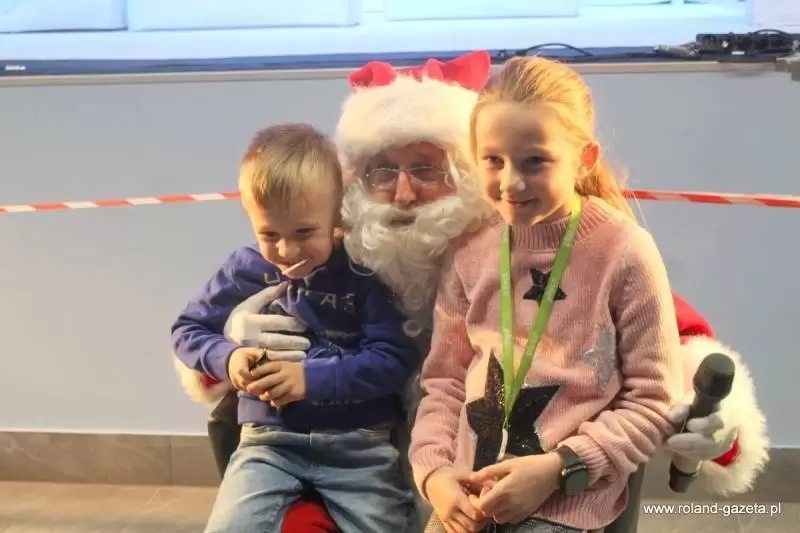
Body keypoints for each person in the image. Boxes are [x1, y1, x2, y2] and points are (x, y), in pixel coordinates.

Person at [173, 51, 768, 532]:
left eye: (426, 168)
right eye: (383, 170)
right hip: (390, 475)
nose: (403, 194)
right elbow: (211, 321)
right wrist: (227, 351)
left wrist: (715, 415)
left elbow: (662, 352)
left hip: (551, 482)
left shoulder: (560, 242)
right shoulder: (327, 252)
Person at [410, 55, 687, 532]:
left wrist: (561, 468)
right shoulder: (469, 250)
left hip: (563, 503)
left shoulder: (623, 251)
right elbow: (445, 383)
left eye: (535, 161)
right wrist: (434, 472)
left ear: (585, 159)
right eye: (493, 160)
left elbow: (654, 401)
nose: (511, 182)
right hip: (469, 500)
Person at [171, 124, 418, 533]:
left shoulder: (364, 271)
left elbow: (393, 358)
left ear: (336, 215)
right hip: (268, 445)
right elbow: (188, 329)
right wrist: (229, 357)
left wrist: (309, 379)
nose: (286, 250)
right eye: (269, 234)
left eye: (304, 232)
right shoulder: (245, 268)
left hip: (360, 447)